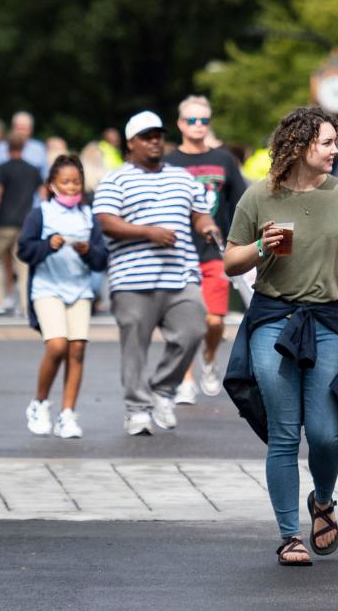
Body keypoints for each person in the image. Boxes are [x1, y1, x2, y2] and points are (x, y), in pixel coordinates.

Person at [223, 106, 338, 567]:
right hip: (272, 319)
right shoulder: (258, 198)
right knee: (286, 433)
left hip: (329, 320)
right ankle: (290, 534)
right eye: (327, 143)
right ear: (299, 145)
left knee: (327, 434)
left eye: (335, 142)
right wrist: (258, 247)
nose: (335, 150)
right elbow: (231, 261)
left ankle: (323, 501)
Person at [93, 111, 219, 436]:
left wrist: (208, 227)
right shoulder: (116, 178)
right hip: (132, 278)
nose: (154, 141)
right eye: (146, 137)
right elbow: (106, 220)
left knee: (193, 330)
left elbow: (200, 214)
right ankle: (136, 409)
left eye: (158, 136)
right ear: (131, 143)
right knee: (135, 345)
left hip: (180, 276)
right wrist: (148, 232)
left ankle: (163, 391)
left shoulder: (182, 177)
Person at [17, 155, 108, 438]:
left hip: (79, 290)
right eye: (65, 182)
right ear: (52, 184)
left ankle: (67, 414)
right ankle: (40, 403)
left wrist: (88, 251)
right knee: (57, 346)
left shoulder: (87, 216)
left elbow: (102, 258)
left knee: (77, 350)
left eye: (76, 182)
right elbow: (24, 250)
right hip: (47, 288)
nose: (71, 187)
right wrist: (48, 245)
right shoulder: (40, 214)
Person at [165, 96, 247, 404]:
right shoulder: (170, 162)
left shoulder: (224, 159)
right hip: (179, 251)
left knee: (213, 320)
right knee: (185, 322)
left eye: (203, 121)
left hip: (215, 248)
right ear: (181, 124)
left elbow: (241, 202)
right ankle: (185, 379)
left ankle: (209, 358)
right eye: (192, 120)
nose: (198, 126)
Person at [0, 133, 44, 317]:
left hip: (4, 222)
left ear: (7, 147)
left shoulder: (2, 168)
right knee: (23, 263)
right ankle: (25, 305)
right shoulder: (33, 169)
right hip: (25, 221)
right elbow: (42, 193)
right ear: (24, 148)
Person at [0, 111, 48, 184]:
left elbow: (45, 176)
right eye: (18, 128)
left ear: (30, 130)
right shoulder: (1, 148)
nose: (21, 132)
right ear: (12, 128)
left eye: (24, 129)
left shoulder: (39, 149)